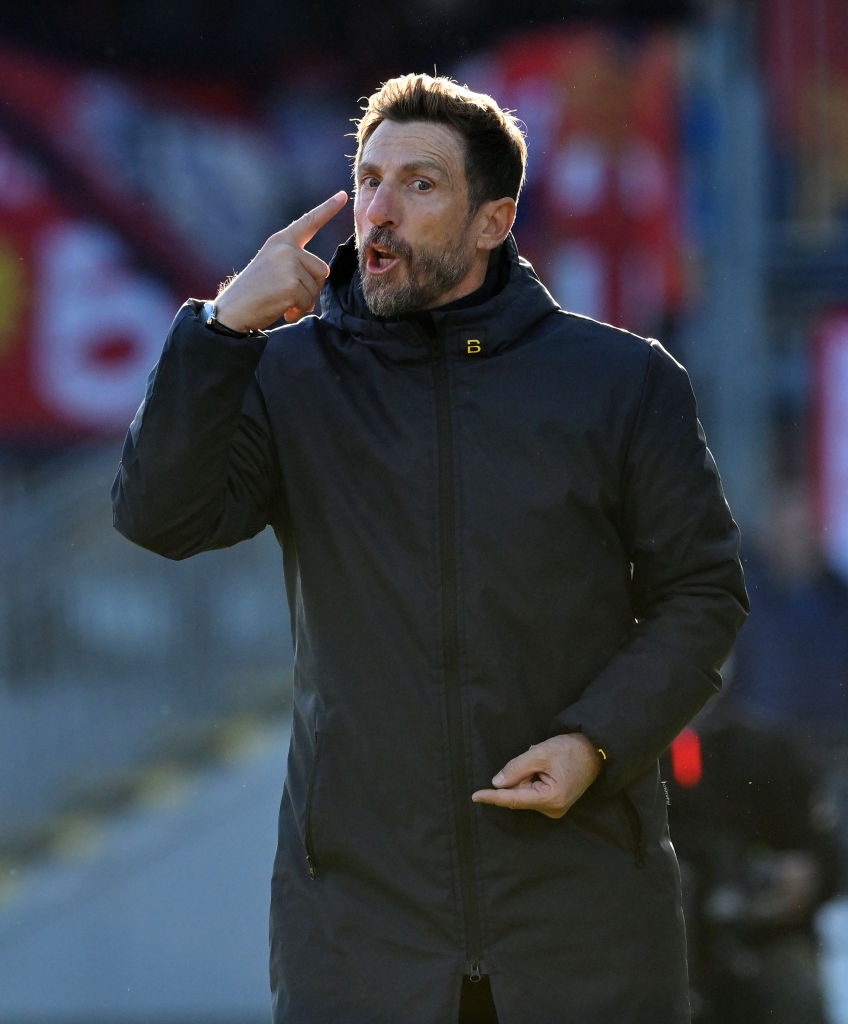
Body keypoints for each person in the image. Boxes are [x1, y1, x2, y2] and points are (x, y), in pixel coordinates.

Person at [111, 74, 748, 1024]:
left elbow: (701, 594)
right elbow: (158, 517)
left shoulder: (622, 381)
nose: (378, 210)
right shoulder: (286, 375)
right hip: (357, 931)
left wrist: (595, 743)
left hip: (582, 919)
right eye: (368, 180)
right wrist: (220, 329)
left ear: (494, 221)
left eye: (419, 184)